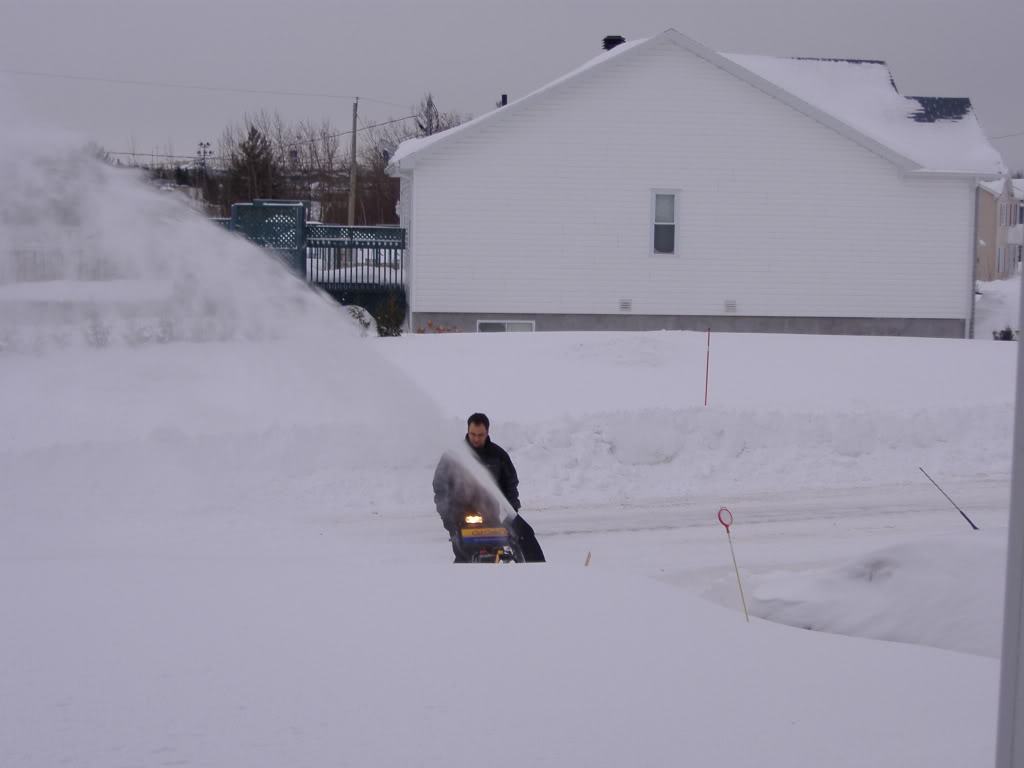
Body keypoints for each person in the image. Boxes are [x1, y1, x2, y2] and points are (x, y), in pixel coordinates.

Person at [432, 413, 546, 563]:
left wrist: (511, 512)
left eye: (481, 435)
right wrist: (450, 522)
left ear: (487, 432)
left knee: (526, 534)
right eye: (473, 434)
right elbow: (440, 488)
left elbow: (511, 485)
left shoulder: (498, 456)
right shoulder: (454, 456)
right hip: (461, 520)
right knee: (466, 555)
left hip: (494, 518)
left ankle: (537, 570)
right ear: (467, 430)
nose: (476, 438)